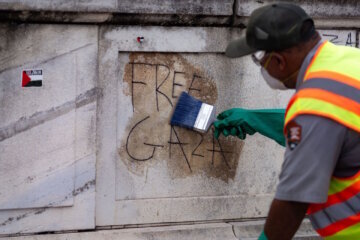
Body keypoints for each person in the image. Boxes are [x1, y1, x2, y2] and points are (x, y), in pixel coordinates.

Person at [214, 2, 360, 240]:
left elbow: (294, 199)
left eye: (259, 61)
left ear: (279, 61)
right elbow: (334, 129)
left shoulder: (314, 107)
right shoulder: (348, 60)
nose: (262, 69)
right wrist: (256, 119)